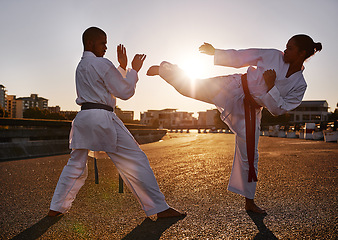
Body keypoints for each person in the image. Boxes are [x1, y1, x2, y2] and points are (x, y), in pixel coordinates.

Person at [147, 34, 322, 213]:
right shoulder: (273, 55)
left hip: (251, 110)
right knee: (191, 88)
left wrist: (271, 87)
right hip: (235, 86)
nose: (284, 50)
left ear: (302, 53)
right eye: (286, 46)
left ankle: (250, 202)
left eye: (290, 48)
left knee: (250, 155)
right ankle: (166, 70)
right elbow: (244, 56)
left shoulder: (300, 85)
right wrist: (216, 52)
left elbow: (278, 110)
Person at [48, 27, 185, 218]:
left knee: (75, 165)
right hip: (102, 118)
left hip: (83, 118)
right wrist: (133, 70)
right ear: (90, 43)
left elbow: (107, 84)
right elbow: (124, 91)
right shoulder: (102, 63)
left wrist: (121, 67)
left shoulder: (81, 66)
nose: (106, 47)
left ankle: (56, 208)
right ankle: (160, 208)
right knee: (136, 159)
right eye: (103, 43)